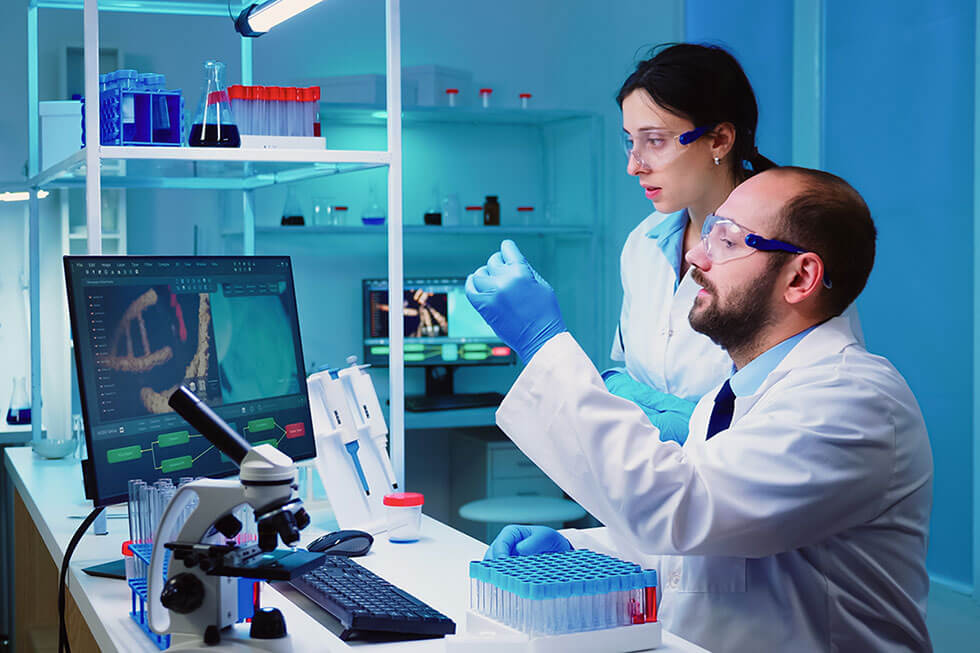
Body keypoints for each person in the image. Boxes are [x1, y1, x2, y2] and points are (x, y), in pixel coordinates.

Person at [465, 167, 933, 652]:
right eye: (708, 234)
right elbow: (700, 551)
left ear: (800, 277)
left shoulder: (851, 398)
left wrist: (543, 343)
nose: (696, 256)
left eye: (727, 240)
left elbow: (681, 508)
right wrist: (578, 549)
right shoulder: (731, 397)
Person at [607, 44, 861, 444]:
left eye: (654, 141)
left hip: (747, 470)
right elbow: (630, 373)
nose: (634, 165)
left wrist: (695, 428)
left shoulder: (786, 250)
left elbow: (813, 401)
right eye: (630, 142)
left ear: (720, 140)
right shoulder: (642, 244)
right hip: (649, 476)